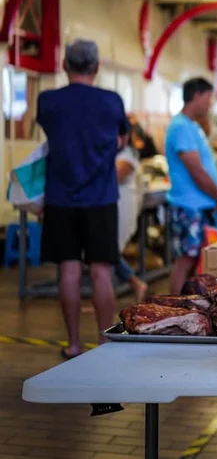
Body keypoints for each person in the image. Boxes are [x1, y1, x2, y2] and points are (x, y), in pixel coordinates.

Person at [37, 39, 130, 359]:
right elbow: (122, 139)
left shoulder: (47, 101)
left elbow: (53, 135)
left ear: (64, 65)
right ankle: (105, 344)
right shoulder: (111, 101)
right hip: (101, 196)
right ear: (97, 67)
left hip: (60, 198)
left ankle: (74, 343)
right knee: (102, 270)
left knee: (69, 270)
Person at [164, 78, 217, 295]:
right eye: (209, 98)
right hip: (189, 206)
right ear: (198, 96)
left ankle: (188, 308)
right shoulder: (181, 126)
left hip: (199, 205)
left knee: (194, 263)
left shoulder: (191, 126)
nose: (210, 104)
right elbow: (197, 172)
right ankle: (176, 308)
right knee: (185, 260)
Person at [114, 141, 148, 301]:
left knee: (107, 253)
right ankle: (135, 283)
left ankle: (135, 283)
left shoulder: (126, 155)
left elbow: (115, 176)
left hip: (121, 208)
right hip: (112, 207)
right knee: (104, 254)